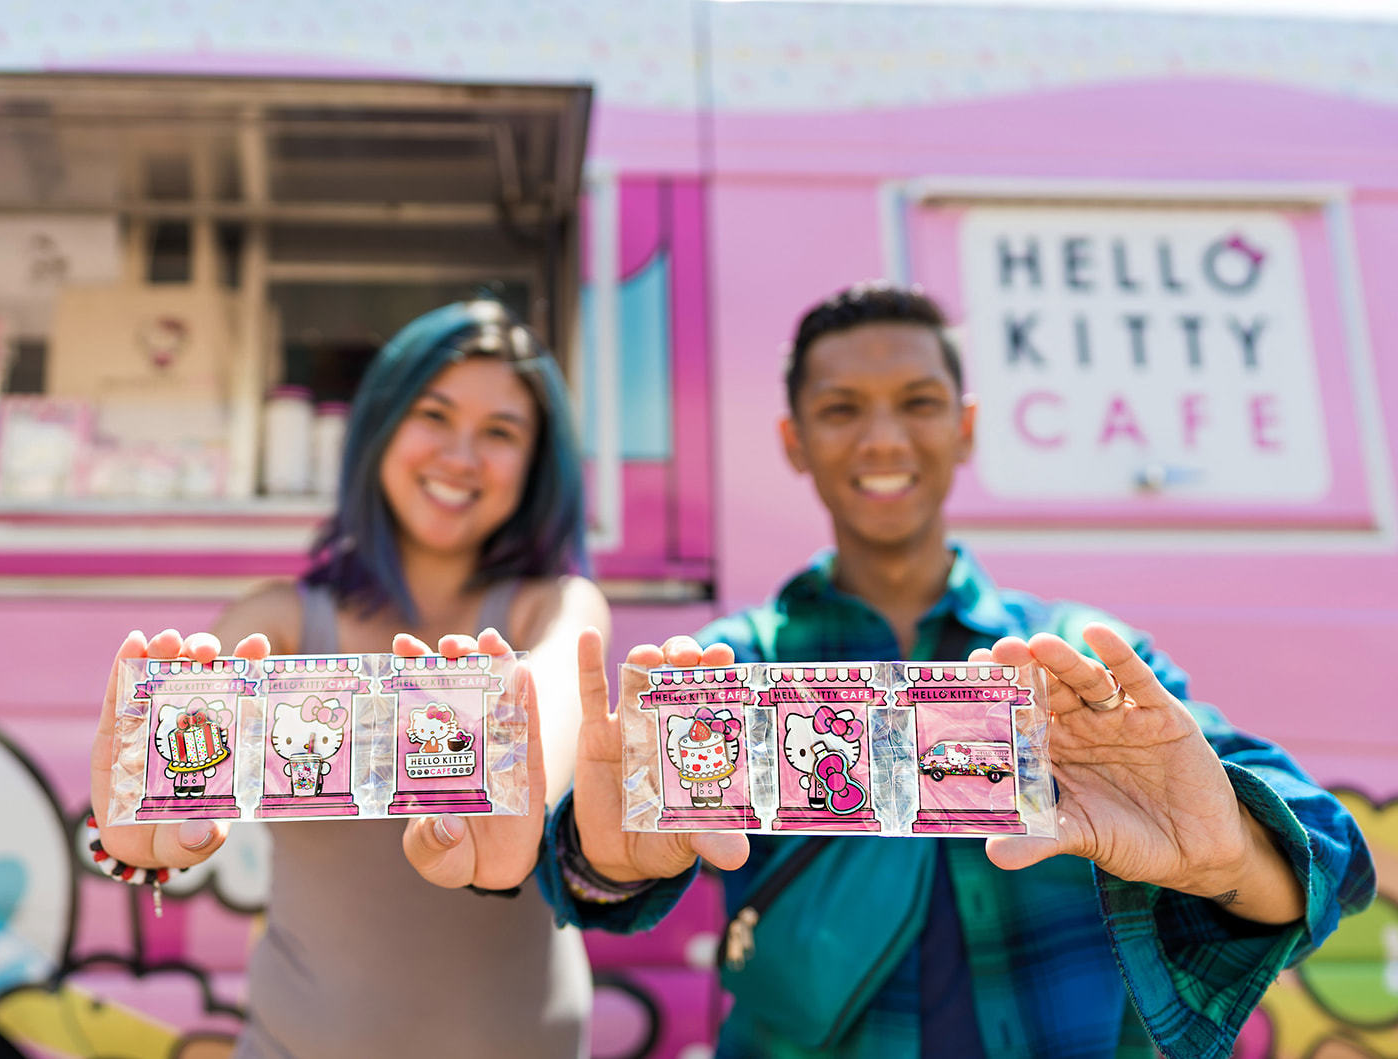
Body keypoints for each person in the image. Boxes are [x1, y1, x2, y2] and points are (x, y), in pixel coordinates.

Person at [405, 284, 1375, 1058]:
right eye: (839, 409)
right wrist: (607, 856)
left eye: (917, 404)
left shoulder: (1076, 657)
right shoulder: (732, 664)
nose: (881, 439)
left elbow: (1329, 855)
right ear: (793, 440)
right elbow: (594, 863)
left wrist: (1229, 857)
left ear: (964, 426)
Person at [89, 299, 610, 1058]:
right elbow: (168, 789)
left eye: (500, 432)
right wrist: (140, 840)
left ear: (535, 465)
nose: (462, 456)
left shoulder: (557, 607)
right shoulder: (281, 620)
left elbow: (544, 745)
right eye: (435, 414)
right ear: (381, 426)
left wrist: (515, 789)